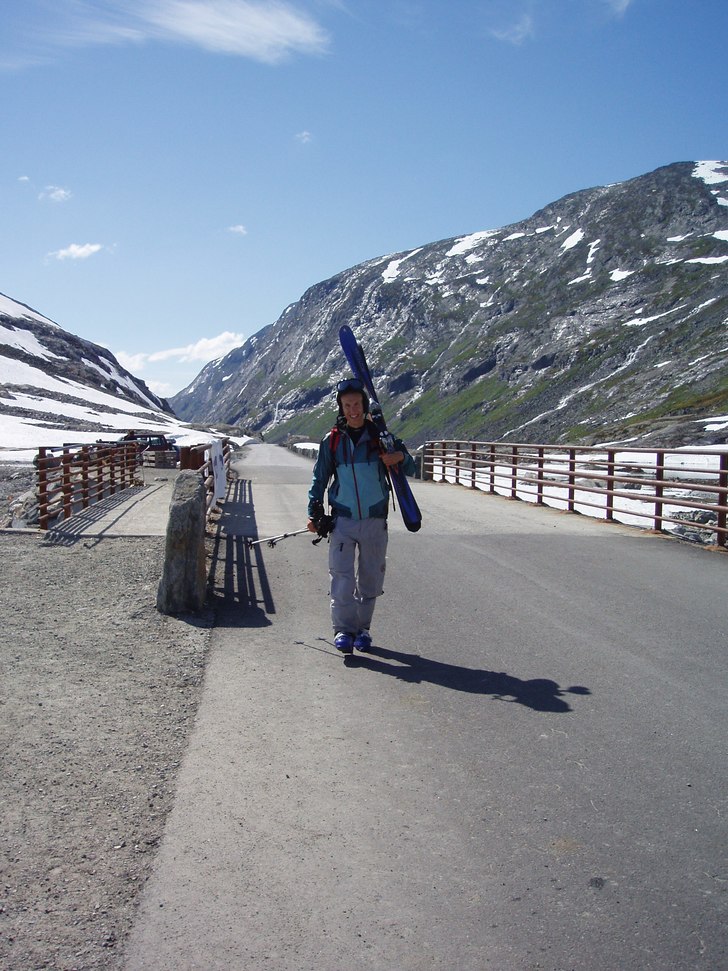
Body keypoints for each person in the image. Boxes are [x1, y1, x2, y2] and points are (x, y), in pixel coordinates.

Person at [307, 377, 416, 655]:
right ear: (341, 408)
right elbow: (319, 479)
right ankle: (343, 630)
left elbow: (412, 464)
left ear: (365, 406)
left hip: (374, 519)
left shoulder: (381, 439)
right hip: (342, 520)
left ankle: (363, 630)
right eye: (347, 405)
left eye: (357, 404)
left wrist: (399, 458)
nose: (353, 410)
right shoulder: (331, 442)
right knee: (341, 577)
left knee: (370, 578)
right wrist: (314, 512)